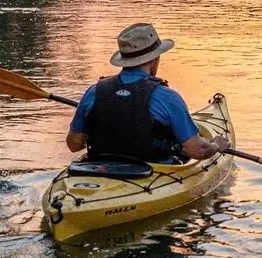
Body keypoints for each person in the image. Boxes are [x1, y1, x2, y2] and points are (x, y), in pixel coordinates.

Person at [66, 21, 230, 164]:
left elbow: (73, 145)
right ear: (154, 58)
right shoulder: (168, 97)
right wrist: (216, 145)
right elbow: (197, 150)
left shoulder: (94, 92)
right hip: (152, 176)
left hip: (98, 170)